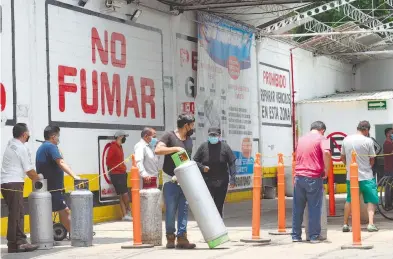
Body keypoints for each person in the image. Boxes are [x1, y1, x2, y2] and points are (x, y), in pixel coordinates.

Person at [155, 114, 196, 249]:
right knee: (171, 210)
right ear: (186, 125)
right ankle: (170, 238)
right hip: (170, 180)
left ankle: (182, 237)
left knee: (184, 209)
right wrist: (176, 149)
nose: (193, 128)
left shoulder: (189, 140)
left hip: (185, 179)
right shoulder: (169, 136)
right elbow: (158, 150)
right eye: (192, 125)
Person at [1, 123, 40, 253]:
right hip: (14, 183)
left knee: (17, 212)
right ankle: (17, 243)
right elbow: (29, 171)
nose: (29, 135)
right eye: (28, 133)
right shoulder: (20, 147)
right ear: (24, 134)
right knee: (17, 213)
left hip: (6, 182)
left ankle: (16, 242)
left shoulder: (11, 143)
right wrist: (40, 180)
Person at [292, 121, 331, 243]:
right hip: (313, 177)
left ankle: (296, 236)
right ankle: (314, 236)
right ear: (322, 130)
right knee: (314, 208)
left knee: (298, 208)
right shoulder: (322, 138)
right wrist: (326, 169)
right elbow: (326, 152)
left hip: (299, 177)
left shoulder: (301, 139)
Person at [36, 125, 80, 233]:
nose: (58, 139)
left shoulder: (43, 147)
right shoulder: (50, 147)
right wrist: (74, 176)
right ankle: (76, 235)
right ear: (53, 136)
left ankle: (68, 233)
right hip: (54, 189)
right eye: (58, 136)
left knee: (58, 212)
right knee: (65, 211)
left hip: (49, 188)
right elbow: (60, 162)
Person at [341, 120, 379, 232]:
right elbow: (372, 159)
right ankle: (371, 224)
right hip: (366, 176)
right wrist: (367, 167)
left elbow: (342, 157)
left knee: (349, 200)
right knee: (371, 200)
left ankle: (345, 224)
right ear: (366, 130)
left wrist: (349, 167)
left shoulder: (346, 139)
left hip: (351, 177)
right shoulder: (368, 141)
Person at [193, 127, 236, 218]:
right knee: (207, 205)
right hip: (207, 181)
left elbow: (232, 163)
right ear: (208, 136)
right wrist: (202, 167)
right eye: (211, 135)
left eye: (215, 135)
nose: (213, 137)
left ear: (219, 136)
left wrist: (233, 179)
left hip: (222, 181)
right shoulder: (203, 147)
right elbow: (194, 161)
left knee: (218, 205)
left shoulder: (225, 147)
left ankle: (219, 226)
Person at [106, 130, 132, 221]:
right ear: (120, 137)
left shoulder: (120, 147)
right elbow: (108, 161)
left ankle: (125, 215)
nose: (125, 139)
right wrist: (115, 168)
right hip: (117, 174)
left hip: (121, 173)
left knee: (121, 195)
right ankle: (129, 211)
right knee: (125, 193)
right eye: (124, 137)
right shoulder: (113, 147)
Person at [382, 127, 393, 209]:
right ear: (387, 134)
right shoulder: (387, 143)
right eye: (391, 133)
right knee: (388, 187)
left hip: (390, 168)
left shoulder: (390, 143)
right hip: (389, 168)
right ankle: (388, 204)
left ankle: (389, 203)